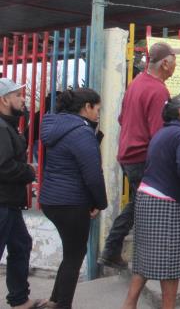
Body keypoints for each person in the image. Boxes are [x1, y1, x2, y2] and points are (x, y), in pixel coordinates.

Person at [100, 42, 180, 269]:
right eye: (174, 61)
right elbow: (159, 133)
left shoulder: (136, 84)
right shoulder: (158, 90)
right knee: (149, 206)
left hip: (128, 154)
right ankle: (145, 256)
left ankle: (113, 250)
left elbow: (121, 119)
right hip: (143, 156)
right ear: (165, 63)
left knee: (139, 203)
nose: (175, 66)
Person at [121, 95, 180, 309]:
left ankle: (129, 304)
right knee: (170, 264)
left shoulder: (162, 133)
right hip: (166, 204)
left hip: (146, 198)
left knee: (145, 258)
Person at [40, 88, 107, 309]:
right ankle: (62, 305)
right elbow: (93, 174)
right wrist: (99, 202)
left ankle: (55, 300)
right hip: (72, 202)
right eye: (97, 109)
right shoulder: (81, 132)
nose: (98, 114)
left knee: (71, 253)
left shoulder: (56, 126)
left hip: (52, 199)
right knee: (75, 255)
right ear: (87, 107)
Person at [0, 78, 47, 309]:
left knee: (21, 245)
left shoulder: (7, 125)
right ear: (4, 99)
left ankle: (19, 300)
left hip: (9, 202)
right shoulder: (0, 127)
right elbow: (3, 167)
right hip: (2, 202)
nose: (23, 99)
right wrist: (28, 170)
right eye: (18, 95)